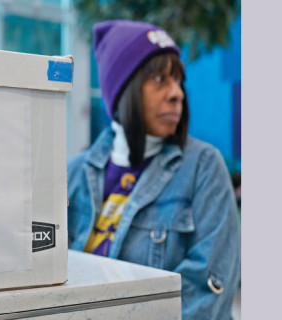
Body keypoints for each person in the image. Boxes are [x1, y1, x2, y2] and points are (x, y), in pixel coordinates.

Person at [67, 20, 240, 319]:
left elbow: (207, 289)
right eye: (160, 79)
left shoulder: (202, 167)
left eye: (178, 81)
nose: (177, 94)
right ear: (124, 91)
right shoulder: (75, 173)